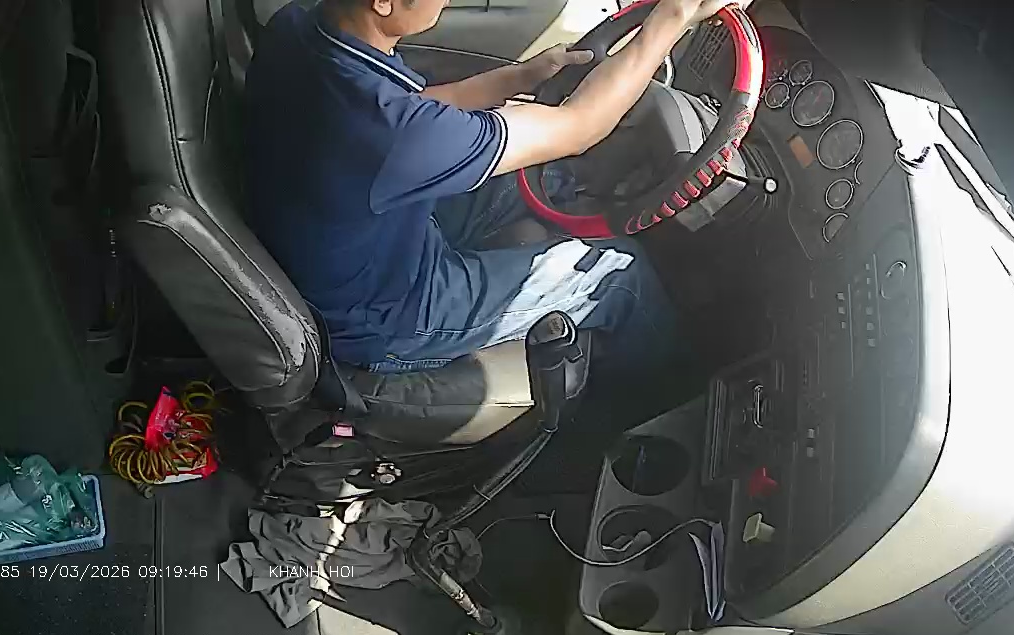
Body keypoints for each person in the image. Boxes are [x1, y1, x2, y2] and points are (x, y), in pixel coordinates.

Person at [245, 0, 744, 396]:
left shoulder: (298, 28)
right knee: (619, 274)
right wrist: (673, 16)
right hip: (387, 317)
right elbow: (580, 127)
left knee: (547, 178)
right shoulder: (389, 135)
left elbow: (409, 110)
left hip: (359, 238)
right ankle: (670, 393)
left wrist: (519, 77)